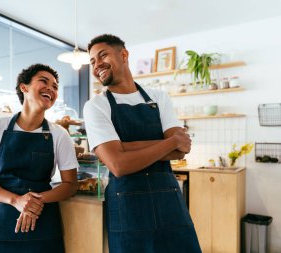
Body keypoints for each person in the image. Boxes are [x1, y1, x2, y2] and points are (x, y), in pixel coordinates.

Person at [83, 34, 202, 253]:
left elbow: (181, 149)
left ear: (124, 55)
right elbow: (118, 165)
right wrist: (170, 140)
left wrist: (125, 147)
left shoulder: (159, 97)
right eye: (92, 61)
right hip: (127, 208)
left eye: (102, 55)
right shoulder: (96, 106)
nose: (97, 64)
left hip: (169, 202)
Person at [0, 64, 78, 253]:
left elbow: (70, 184)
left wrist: (34, 201)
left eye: (55, 87)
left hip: (44, 223)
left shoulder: (59, 134)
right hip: (2, 225)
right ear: (24, 87)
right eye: (44, 82)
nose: (51, 89)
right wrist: (16, 201)